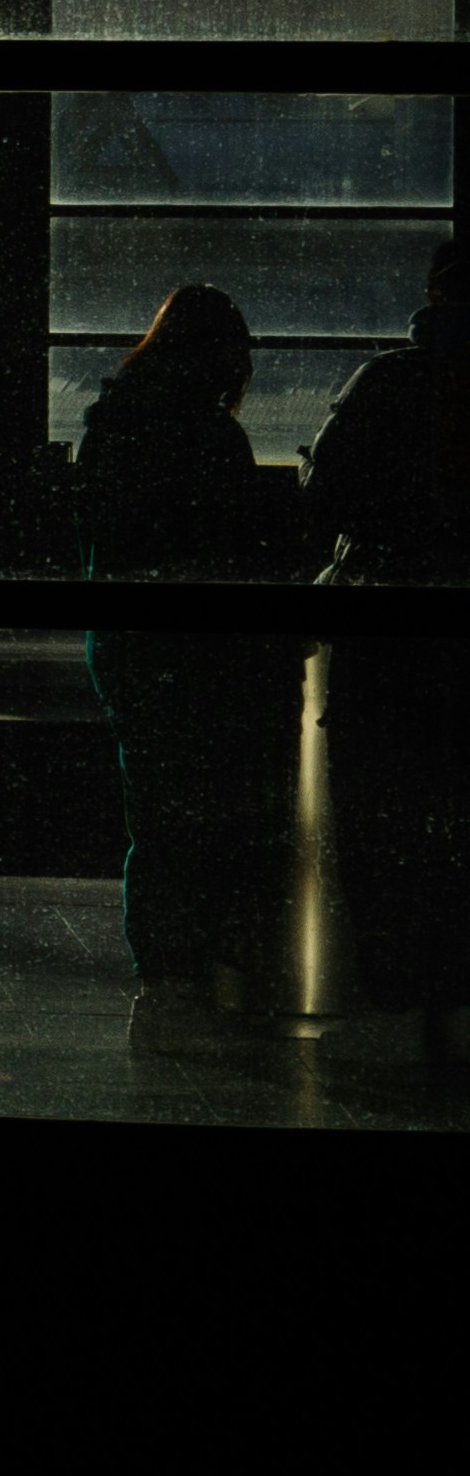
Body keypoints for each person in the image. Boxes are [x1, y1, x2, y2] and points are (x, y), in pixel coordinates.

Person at [78, 281, 305, 1003]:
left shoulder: (113, 421)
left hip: (128, 642)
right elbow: (237, 544)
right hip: (198, 648)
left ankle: (162, 960)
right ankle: (203, 945)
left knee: (154, 802)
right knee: (207, 801)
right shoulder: (211, 434)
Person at [295, 238, 464, 1013]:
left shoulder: (385, 384)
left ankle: (392, 971)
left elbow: (325, 492)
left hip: (385, 625)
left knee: (381, 807)